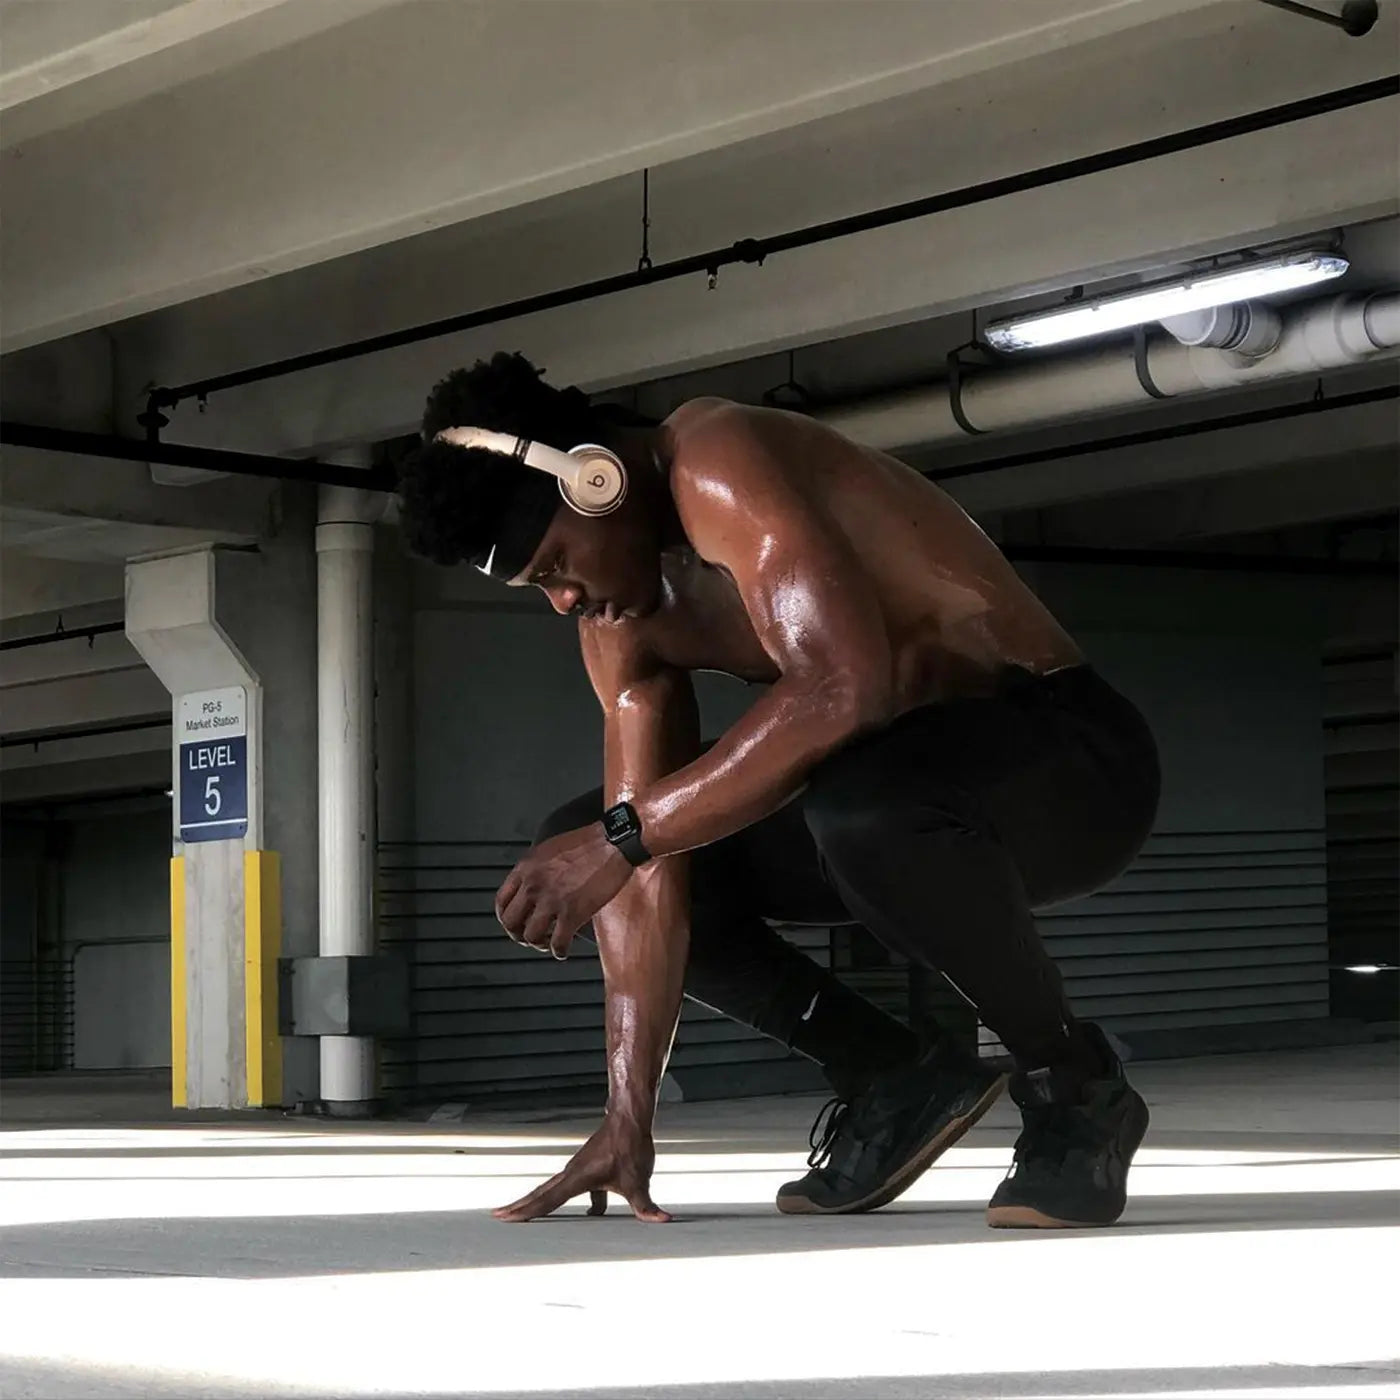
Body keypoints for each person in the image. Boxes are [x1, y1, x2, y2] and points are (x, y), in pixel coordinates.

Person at [396, 352, 1161, 1228]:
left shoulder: (715, 457)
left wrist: (622, 835)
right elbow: (642, 865)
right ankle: (893, 1075)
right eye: (542, 587)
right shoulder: (621, 622)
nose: (566, 600)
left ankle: (1075, 1088)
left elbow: (843, 687)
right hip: (887, 797)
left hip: (1070, 760)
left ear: (595, 481)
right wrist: (626, 1118)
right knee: (598, 830)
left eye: (558, 564)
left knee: (837, 802)